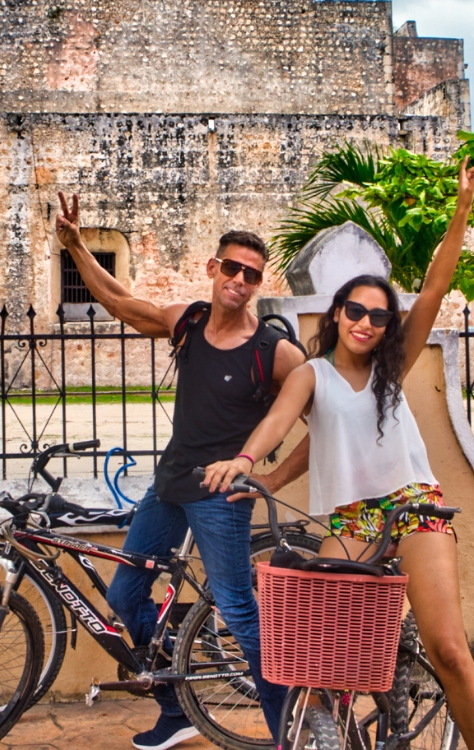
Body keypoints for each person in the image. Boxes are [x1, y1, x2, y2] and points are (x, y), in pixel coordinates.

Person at [204, 157, 474, 750]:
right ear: (336, 313)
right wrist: (245, 462)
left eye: (378, 316)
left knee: (449, 648)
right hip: (351, 516)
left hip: (414, 504)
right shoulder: (311, 374)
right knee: (323, 655)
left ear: (388, 325)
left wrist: (463, 207)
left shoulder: (394, 370)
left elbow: (438, 286)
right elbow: (281, 423)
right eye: (356, 311)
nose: (366, 322)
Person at [56, 192, 307, 750]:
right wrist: (75, 247)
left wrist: (270, 479)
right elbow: (122, 302)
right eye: (233, 268)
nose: (240, 280)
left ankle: (292, 736)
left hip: (222, 498)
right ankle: (177, 708)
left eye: (253, 274)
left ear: (258, 283)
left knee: (242, 617)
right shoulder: (188, 323)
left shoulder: (274, 351)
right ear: (212, 268)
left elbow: (327, 422)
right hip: (169, 488)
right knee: (124, 598)